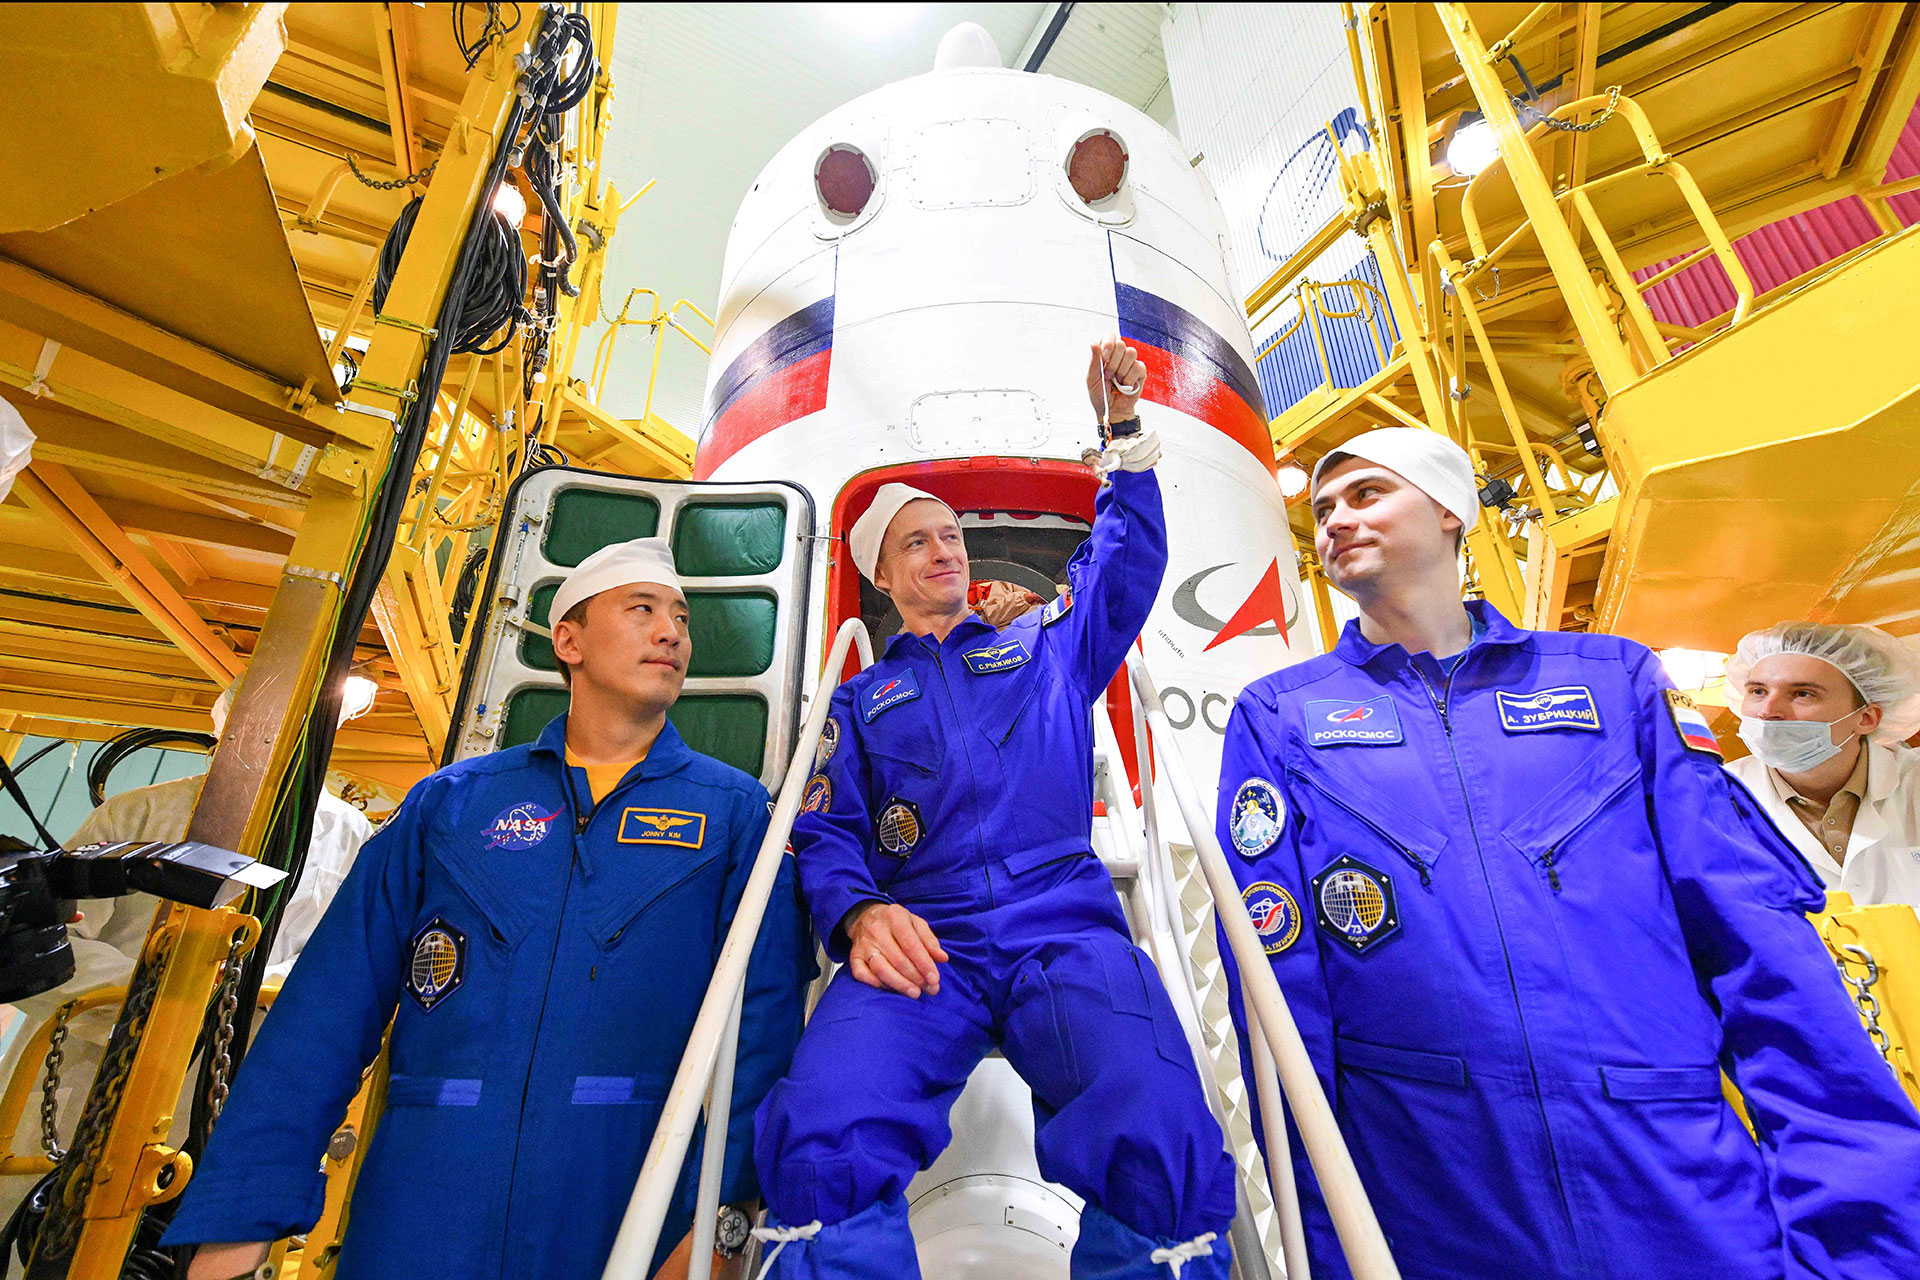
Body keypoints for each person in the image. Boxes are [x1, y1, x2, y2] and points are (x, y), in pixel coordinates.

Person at [1215, 427, 1920, 1279]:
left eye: (1366, 494)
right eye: (1322, 508)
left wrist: (1863, 1242)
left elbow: (1755, 943)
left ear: (1449, 511)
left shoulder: (1613, 681)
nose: (1334, 521)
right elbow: (1280, 996)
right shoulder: (1284, 714)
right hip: (1437, 1194)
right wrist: (1330, 1247)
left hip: (1670, 1174)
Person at [163, 539, 811, 1280]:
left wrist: (717, 1225)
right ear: (568, 640)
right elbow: (328, 1007)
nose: (671, 632)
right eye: (642, 610)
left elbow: (760, 1041)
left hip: (625, 1198)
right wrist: (243, 1210)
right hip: (425, 1199)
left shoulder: (732, 818)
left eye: (681, 618)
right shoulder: (451, 805)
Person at [752, 339, 1237, 1280]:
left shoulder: (1044, 648)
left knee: (1156, 1116)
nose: (944, 550)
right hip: (921, 937)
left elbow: (1126, 559)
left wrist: (1122, 431)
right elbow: (826, 828)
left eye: (951, 536)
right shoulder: (855, 700)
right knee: (823, 1127)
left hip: (1062, 923)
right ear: (882, 579)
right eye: (916, 542)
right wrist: (857, 912)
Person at [0, 684, 374, 1224]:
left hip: (233, 1078)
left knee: (177, 1239)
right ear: (222, 724)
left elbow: (334, 956)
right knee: (40, 1224)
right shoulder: (139, 812)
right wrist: (173, 1000)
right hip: (90, 1070)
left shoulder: (348, 833)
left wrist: (236, 999)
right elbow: (54, 945)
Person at [1725, 622, 1920, 907]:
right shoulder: (1714, 797)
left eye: (1802, 693)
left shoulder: (1913, 783)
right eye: (1758, 691)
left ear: (1866, 718)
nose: (1768, 711)